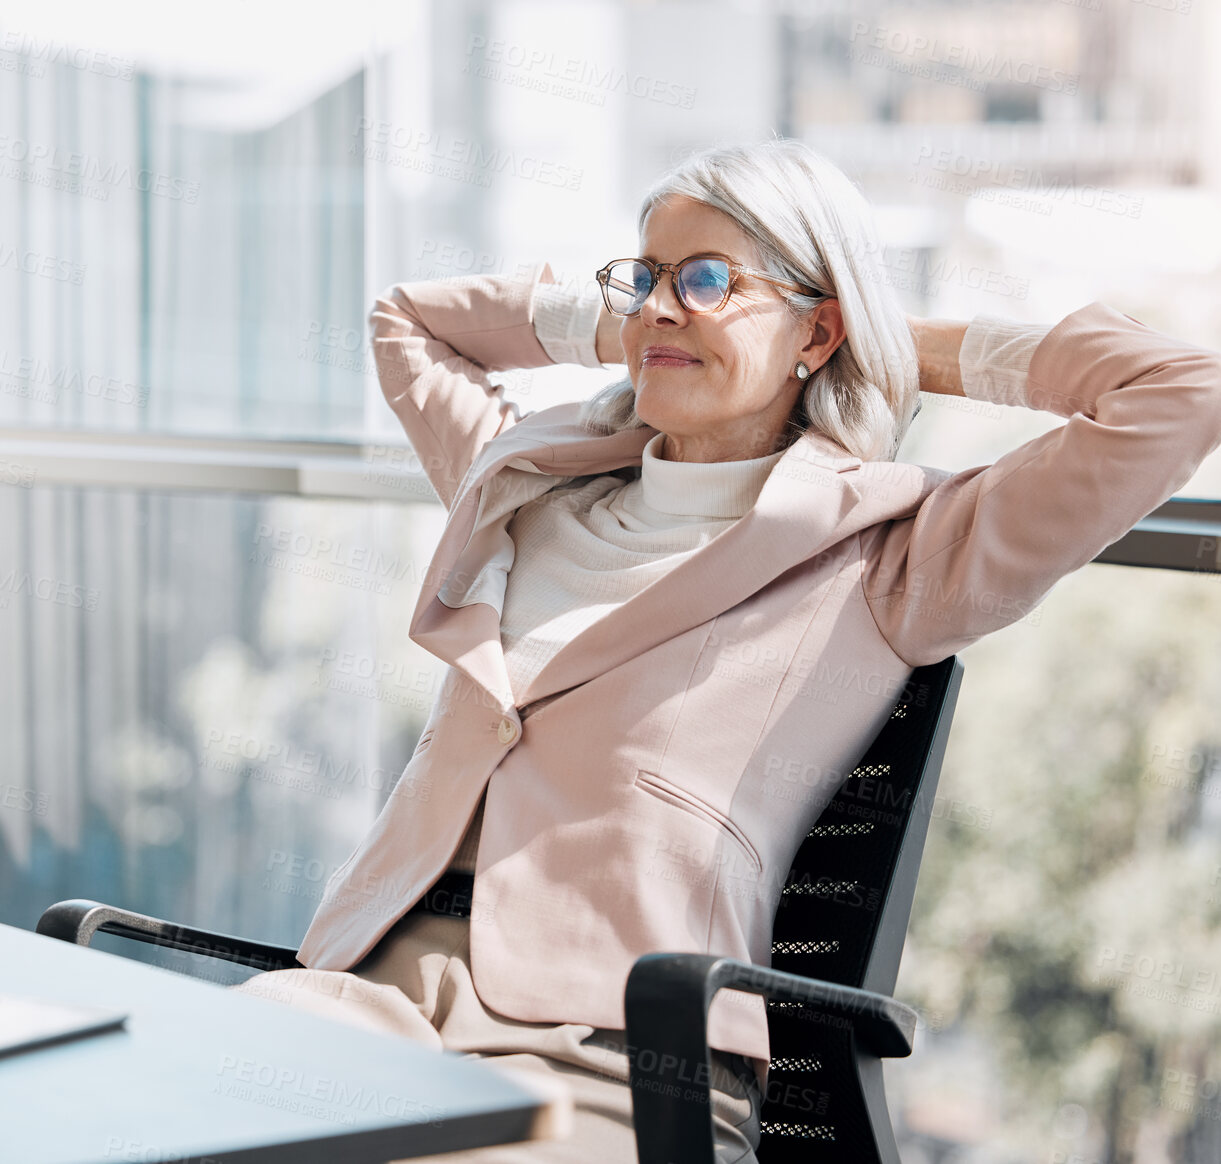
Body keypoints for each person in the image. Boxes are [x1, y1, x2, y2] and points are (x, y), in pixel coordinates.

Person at [234, 137, 1221, 1161]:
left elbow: (1178, 392)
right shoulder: (523, 489)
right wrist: (640, 322)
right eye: (648, 278)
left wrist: (886, 338)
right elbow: (410, 320)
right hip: (369, 996)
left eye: (711, 280)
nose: (664, 306)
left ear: (817, 327)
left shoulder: (892, 554)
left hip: (606, 1052)